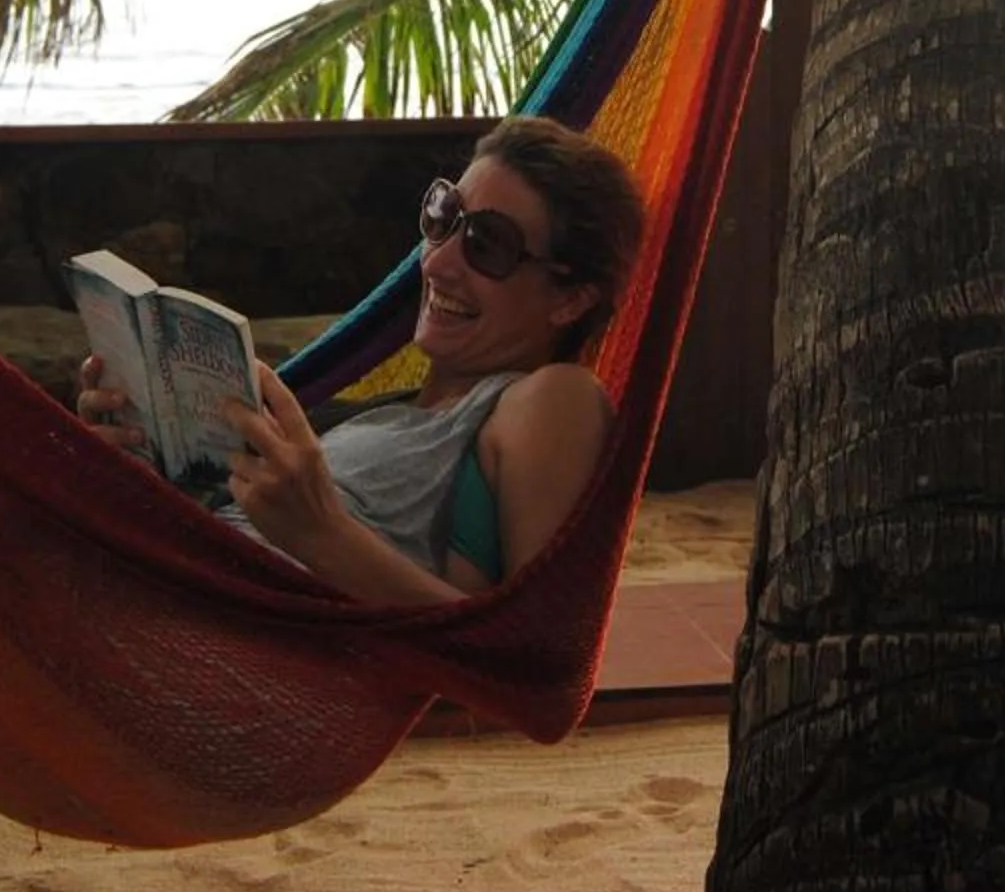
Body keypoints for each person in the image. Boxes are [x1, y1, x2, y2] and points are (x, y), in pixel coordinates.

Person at [77, 114, 643, 606]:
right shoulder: (371, 414)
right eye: (445, 217)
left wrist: (322, 532)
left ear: (571, 298)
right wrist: (135, 465)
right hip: (148, 594)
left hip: (195, 641)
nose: (439, 263)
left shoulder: (552, 396)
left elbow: (534, 658)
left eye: (488, 244)